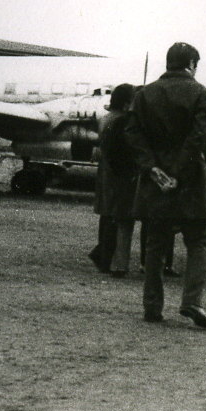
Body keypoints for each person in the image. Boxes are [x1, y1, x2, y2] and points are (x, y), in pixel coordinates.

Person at [126, 42, 206, 328]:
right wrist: (177, 172)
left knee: (155, 242)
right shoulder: (201, 93)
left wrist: (153, 169)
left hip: (155, 180)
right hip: (190, 178)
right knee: (198, 240)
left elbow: (133, 134)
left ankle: (152, 305)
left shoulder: (144, 94)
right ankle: (191, 302)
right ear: (191, 63)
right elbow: (199, 135)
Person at [90, 83, 138, 276]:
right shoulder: (123, 121)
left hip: (106, 170)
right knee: (120, 216)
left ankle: (103, 257)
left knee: (107, 215)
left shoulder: (106, 118)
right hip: (119, 173)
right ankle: (112, 261)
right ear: (127, 102)